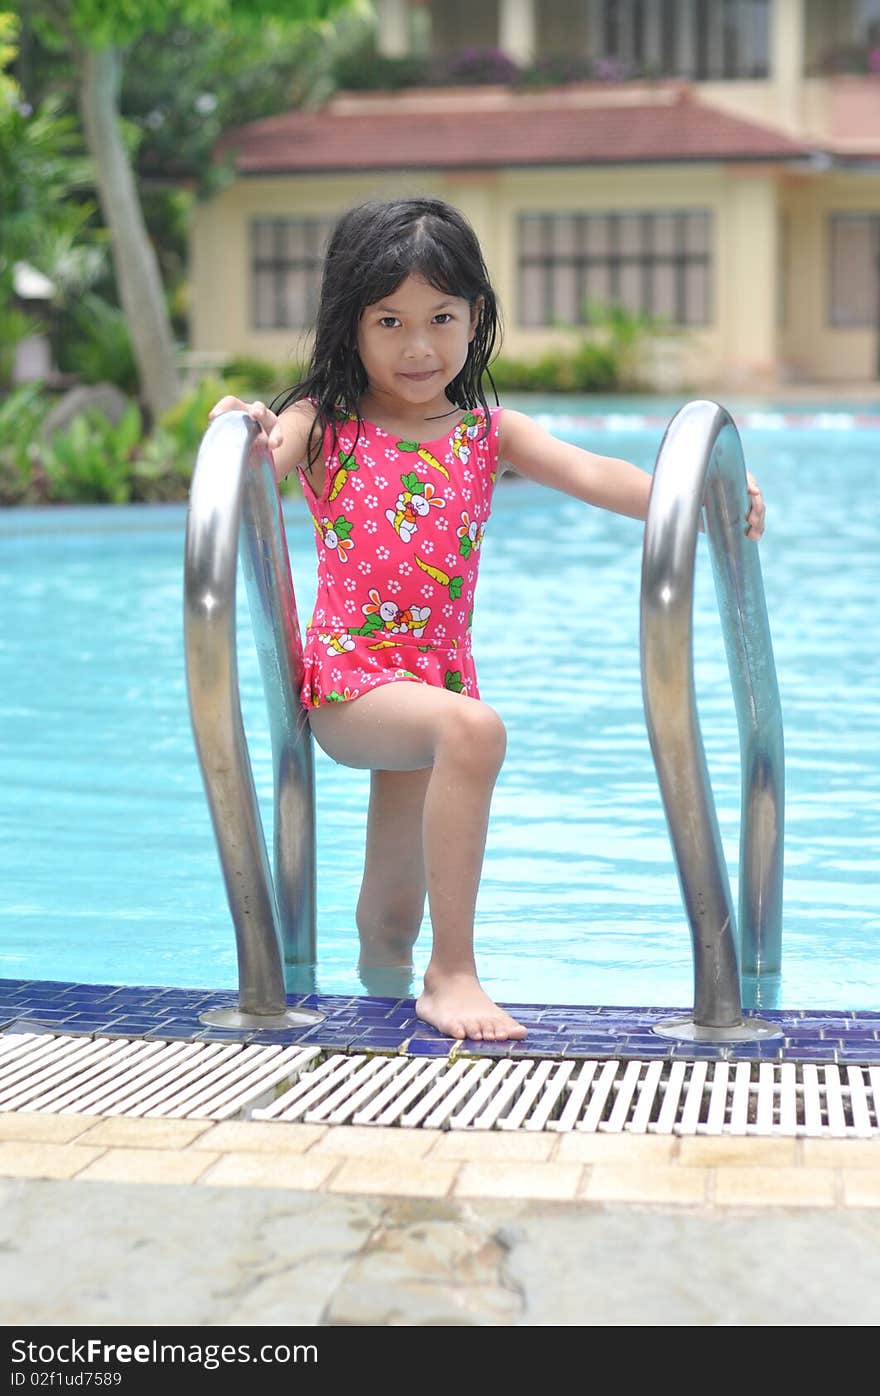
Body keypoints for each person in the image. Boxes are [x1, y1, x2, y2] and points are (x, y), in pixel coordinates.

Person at [208, 197, 765, 1043]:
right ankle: (453, 973)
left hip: (434, 684)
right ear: (348, 326)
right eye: (389, 321)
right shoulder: (325, 427)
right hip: (351, 685)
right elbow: (252, 472)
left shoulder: (486, 434)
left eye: (442, 317)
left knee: (388, 915)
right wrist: (238, 433)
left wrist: (702, 498)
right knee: (475, 732)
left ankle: (376, 1011)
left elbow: (594, 472)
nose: (419, 345)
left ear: (477, 318)